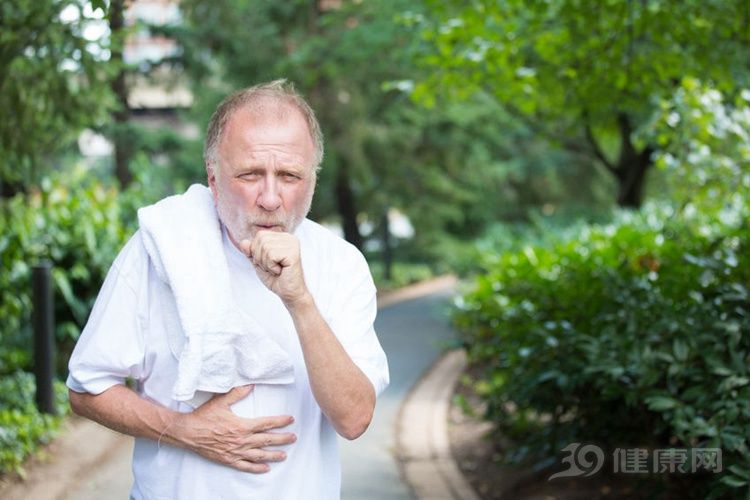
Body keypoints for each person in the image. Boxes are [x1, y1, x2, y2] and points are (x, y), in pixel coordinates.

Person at [66, 80, 389, 499]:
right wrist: (183, 431)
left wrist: (300, 300)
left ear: (312, 181)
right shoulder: (161, 247)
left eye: (289, 175)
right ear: (213, 177)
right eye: (251, 174)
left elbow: (354, 418)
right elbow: (86, 387)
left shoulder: (341, 265)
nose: (270, 198)